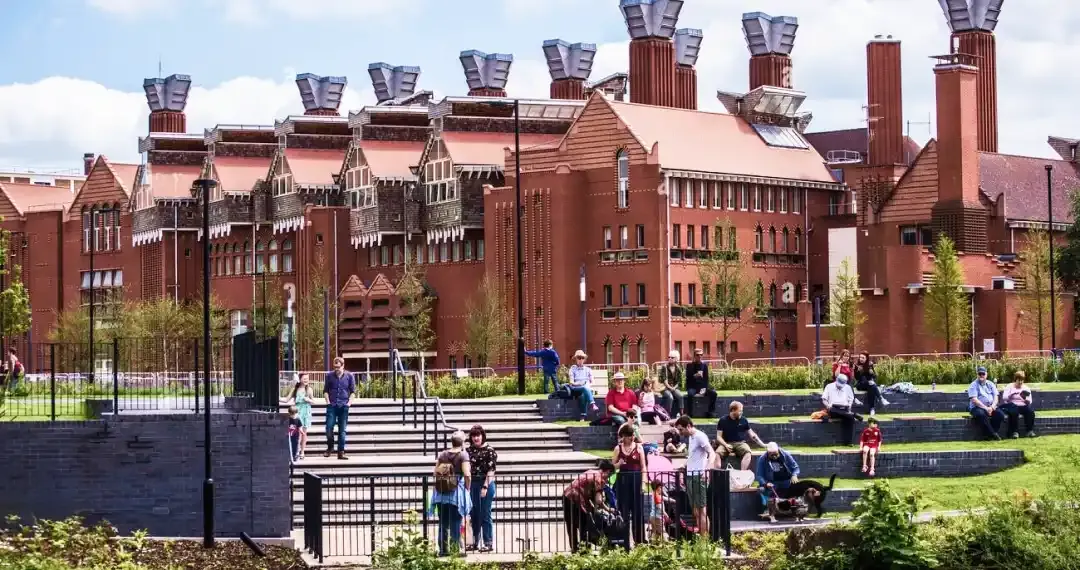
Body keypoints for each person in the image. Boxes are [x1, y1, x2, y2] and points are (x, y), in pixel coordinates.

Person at [432, 431, 472, 557]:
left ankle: (443, 550)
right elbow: (467, 474)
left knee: (443, 522)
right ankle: (455, 549)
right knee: (455, 521)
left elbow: (435, 472)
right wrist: (468, 487)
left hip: (441, 493)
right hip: (455, 493)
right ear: (463, 442)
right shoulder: (463, 455)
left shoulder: (443, 454)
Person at [562, 460, 617, 552]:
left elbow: (589, 493)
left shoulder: (591, 471)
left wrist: (592, 508)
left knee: (571, 524)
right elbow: (598, 500)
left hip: (566, 495)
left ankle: (574, 548)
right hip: (576, 499)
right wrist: (608, 509)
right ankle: (584, 549)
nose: (608, 479)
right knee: (584, 525)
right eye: (609, 475)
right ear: (607, 471)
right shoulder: (599, 479)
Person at [676, 415, 714, 538]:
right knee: (695, 510)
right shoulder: (691, 438)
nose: (680, 432)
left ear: (688, 426)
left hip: (699, 476)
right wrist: (684, 465)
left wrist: (706, 469)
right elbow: (692, 456)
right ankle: (701, 537)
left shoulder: (700, 436)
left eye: (681, 429)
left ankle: (705, 540)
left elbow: (711, 453)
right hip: (691, 475)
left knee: (702, 509)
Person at [611, 422, 648, 546]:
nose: (632, 437)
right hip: (623, 482)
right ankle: (624, 541)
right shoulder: (618, 448)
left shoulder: (639, 448)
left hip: (636, 479)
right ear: (624, 436)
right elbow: (612, 468)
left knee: (638, 511)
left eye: (633, 435)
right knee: (623, 511)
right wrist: (618, 464)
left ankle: (640, 540)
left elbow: (643, 467)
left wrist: (643, 483)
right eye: (629, 435)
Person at [466, 425, 498, 552]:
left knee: (485, 512)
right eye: (473, 436)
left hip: (486, 483)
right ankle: (474, 541)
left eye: (478, 435)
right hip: (473, 483)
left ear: (482, 436)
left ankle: (488, 542)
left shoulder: (490, 450)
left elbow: (491, 470)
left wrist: (485, 486)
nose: (476, 438)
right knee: (474, 513)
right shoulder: (469, 450)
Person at [755, 442, 801, 522]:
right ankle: (768, 510)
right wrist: (765, 483)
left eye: (776, 454)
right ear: (767, 452)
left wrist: (794, 475)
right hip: (772, 482)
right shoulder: (762, 459)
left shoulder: (786, 455)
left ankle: (795, 510)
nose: (774, 456)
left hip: (786, 480)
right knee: (763, 489)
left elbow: (795, 467)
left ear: (779, 450)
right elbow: (759, 475)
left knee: (796, 487)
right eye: (771, 454)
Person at [714, 401, 766, 470]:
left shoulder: (743, 420)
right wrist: (726, 445)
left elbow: (752, 435)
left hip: (740, 443)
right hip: (726, 443)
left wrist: (763, 445)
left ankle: (742, 474)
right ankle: (717, 474)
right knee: (717, 454)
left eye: (742, 411)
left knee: (748, 453)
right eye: (740, 411)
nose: (741, 412)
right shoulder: (723, 420)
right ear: (733, 410)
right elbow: (718, 437)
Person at [323, 357, 355, 459]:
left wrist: (349, 404)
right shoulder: (329, 376)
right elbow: (325, 391)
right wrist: (328, 402)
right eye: (335, 367)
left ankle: (341, 452)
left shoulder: (349, 376)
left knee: (342, 430)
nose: (336, 369)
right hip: (332, 405)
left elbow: (353, 392)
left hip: (343, 406)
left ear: (343, 366)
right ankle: (330, 447)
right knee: (329, 428)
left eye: (338, 367)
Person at [822, 373, 863, 445]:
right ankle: (853, 414)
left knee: (850, 418)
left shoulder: (848, 387)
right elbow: (824, 399)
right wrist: (827, 405)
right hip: (833, 409)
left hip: (845, 409)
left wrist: (849, 406)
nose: (840, 387)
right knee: (834, 410)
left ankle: (848, 442)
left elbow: (851, 399)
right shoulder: (829, 386)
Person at [280, 374, 314, 460]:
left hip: (306, 412)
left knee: (304, 433)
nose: (306, 380)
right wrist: (278, 398)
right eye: (304, 378)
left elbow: (313, 401)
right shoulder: (295, 389)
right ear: (300, 379)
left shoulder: (309, 389)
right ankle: (296, 451)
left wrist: (308, 400)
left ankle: (302, 451)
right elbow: (286, 399)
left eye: (307, 378)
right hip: (297, 412)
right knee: (296, 433)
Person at [968, 366, 1004, 440]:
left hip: (990, 406)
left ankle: (989, 434)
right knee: (981, 414)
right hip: (977, 407)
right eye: (979, 374)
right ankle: (993, 434)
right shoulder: (973, 385)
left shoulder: (991, 384)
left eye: (983, 374)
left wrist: (992, 407)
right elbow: (974, 400)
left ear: (986, 374)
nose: (981, 375)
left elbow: (996, 397)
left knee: (1000, 415)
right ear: (977, 375)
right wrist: (986, 408)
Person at [1000, 371, 1037, 439]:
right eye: (1019, 380)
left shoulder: (1026, 388)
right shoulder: (1010, 386)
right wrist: (1011, 394)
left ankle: (1029, 431)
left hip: (1023, 405)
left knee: (1030, 412)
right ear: (1015, 380)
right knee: (1014, 412)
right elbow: (1004, 398)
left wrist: (1025, 399)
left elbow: (1030, 401)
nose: (1020, 382)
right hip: (1012, 405)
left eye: (1022, 380)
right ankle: (1014, 432)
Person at [852, 352, 889, 416]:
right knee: (871, 384)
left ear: (866, 358)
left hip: (869, 384)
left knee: (871, 387)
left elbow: (874, 376)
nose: (861, 359)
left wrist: (871, 373)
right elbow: (857, 378)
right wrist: (858, 371)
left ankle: (872, 409)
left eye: (863, 358)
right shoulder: (856, 365)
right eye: (860, 357)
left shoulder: (870, 364)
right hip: (860, 384)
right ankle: (881, 399)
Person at [567, 350, 600, 420]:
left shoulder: (588, 370)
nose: (581, 359)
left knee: (583, 395)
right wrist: (580, 383)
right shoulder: (572, 369)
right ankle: (593, 404)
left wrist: (588, 384)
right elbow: (571, 382)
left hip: (586, 389)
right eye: (579, 358)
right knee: (584, 388)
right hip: (576, 389)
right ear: (576, 359)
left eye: (582, 358)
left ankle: (583, 416)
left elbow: (592, 382)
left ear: (584, 359)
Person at [685, 349, 717, 417]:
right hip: (692, 387)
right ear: (694, 356)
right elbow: (688, 377)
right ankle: (689, 414)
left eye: (701, 355)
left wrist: (704, 388)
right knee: (690, 394)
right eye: (697, 355)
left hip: (702, 387)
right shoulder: (689, 365)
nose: (699, 356)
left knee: (714, 393)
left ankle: (710, 412)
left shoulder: (704, 366)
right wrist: (694, 375)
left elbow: (706, 379)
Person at [657, 351, 685, 417]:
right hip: (665, 388)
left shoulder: (678, 368)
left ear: (676, 359)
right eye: (669, 357)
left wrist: (674, 388)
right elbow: (664, 380)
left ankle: (682, 414)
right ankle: (668, 414)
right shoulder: (664, 367)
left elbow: (679, 381)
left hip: (674, 387)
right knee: (670, 397)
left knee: (681, 396)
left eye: (672, 357)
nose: (670, 358)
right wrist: (670, 387)